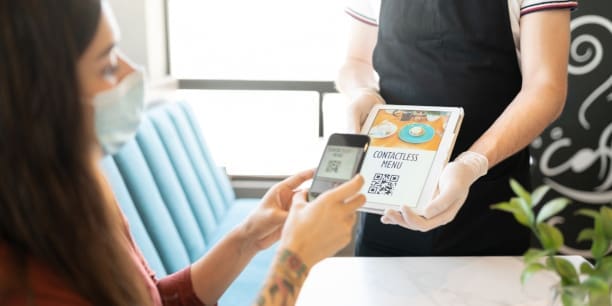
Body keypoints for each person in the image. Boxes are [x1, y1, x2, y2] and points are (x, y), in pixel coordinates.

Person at [0, 1, 366, 306]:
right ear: (40, 95)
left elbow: (150, 298)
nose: (133, 72)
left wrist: (248, 238)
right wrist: (295, 261)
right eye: (107, 64)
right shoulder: (24, 279)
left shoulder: (81, 186)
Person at [336, 0, 577, 256]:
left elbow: (545, 87)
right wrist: (362, 91)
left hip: (487, 199)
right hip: (389, 187)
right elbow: (356, 61)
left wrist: (472, 164)